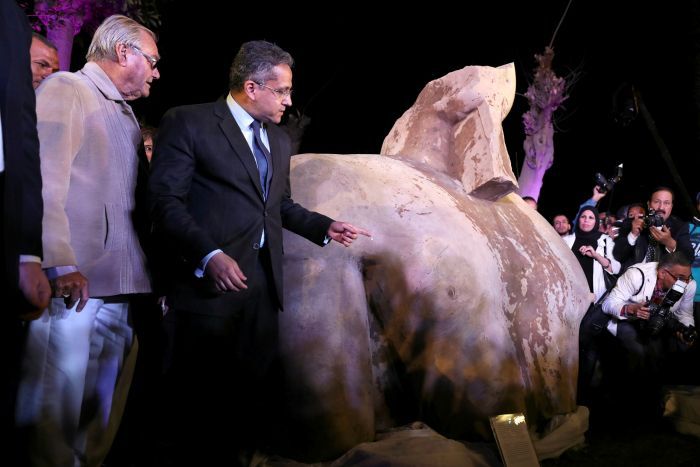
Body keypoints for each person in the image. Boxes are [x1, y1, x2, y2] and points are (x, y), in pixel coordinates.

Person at [149, 40, 370, 465]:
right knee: (193, 414)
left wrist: (324, 226)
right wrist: (208, 255)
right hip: (204, 296)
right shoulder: (188, 122)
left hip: (262, 293)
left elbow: (278, 205)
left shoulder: (279, 140)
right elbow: (164, 201)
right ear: (252, 87)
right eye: (283, 91)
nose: (290, 101)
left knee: (246, 410)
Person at [15, 15, 160, 466]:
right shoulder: (65, 89)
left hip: (122, 289)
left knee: (98, 421)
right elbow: (44, 182)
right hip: (74, 288)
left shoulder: (126, 113)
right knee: (53, 418)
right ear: (124, 54)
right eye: (153, 61)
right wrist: (57, 262)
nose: (157, 72)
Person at [0, 0, 51, 463]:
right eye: (39, 65)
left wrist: (28, 254)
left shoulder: (9, 17)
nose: (43, 76)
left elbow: (24, 148)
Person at [601, 252, 696, 416]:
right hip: (627, 321)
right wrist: (630, 309)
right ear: (662, 273)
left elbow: (684, 314)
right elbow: (609, 304)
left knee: (657, 355)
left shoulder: (689, 284)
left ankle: (651, 405)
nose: (686, 283)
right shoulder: (637, 275)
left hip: (657, 324)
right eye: (681, 278)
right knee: (638, 351)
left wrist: (686, 330)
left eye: (688, 278)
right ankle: (626, 404)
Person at [613, 187, 694, 271]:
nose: (661, 207)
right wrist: (633, 235)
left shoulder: (679, 227)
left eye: (666, 203)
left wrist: (670, 243)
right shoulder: (632, 223)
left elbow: (689, 259)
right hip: (632, 277)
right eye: (656, 202)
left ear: (671, 207)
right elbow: (618, 256)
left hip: (660, 281)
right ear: (649, 204)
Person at [565, 206, 620, 302]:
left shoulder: (606, 241)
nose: (586, 220)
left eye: (591, 218)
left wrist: (596, 256)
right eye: (583, 217)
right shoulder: (566, 241)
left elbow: (615, 268)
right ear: (578, 220)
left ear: (596, 221)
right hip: (568, 296)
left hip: (593, 298)